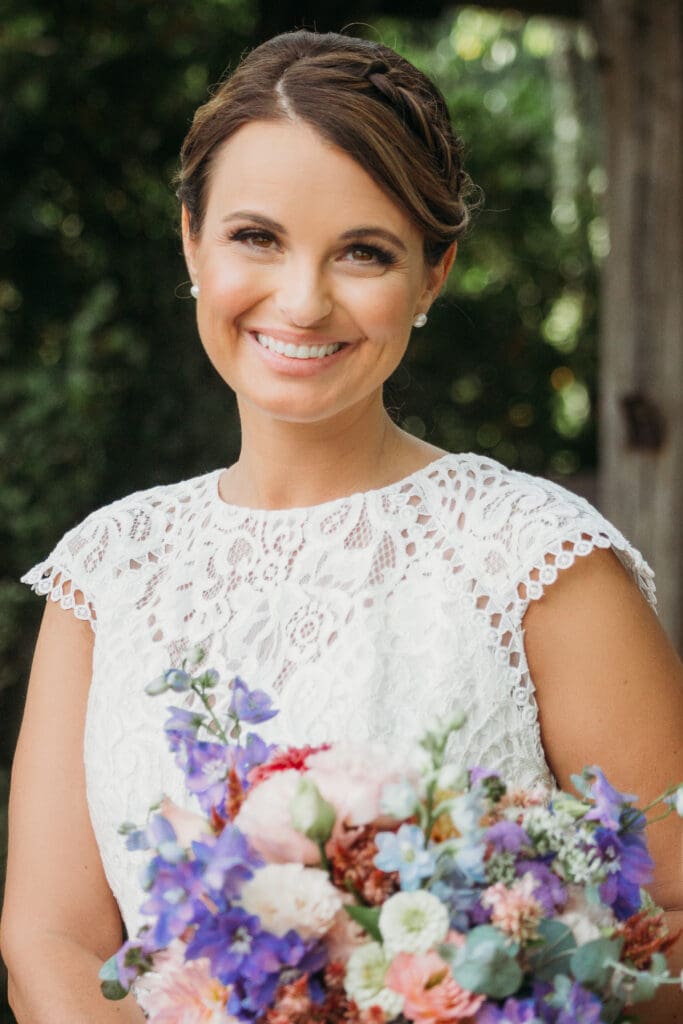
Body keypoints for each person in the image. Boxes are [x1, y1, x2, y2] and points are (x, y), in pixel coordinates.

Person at [1, 28, 682, 1023]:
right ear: (190, 239)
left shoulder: (538, 561)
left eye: (363, 251)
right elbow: (47, 938)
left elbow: (667, 914)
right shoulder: (107, 570)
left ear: (434, 273)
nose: (302, 300)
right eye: (256, 237)